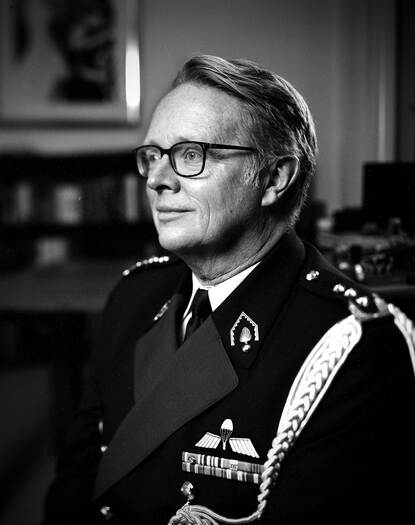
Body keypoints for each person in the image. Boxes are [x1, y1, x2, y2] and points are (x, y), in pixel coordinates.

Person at [42, 54, 415, 525]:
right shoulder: (134, 296)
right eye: (153, 156)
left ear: (273, 179)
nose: (156, 180)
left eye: (190, 155)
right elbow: (76, 484)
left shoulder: (353, 346)